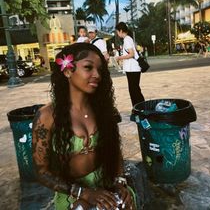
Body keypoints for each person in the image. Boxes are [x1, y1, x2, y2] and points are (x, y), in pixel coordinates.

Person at [32, 43, 135, 210]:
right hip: (71, 191)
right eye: (88, 67)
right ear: (67, 71)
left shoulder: (103, 110)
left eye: (100, 70)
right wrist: (83, 193)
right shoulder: (47, 116)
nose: (97, 75)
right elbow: (41, 172)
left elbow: (114, 150)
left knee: (123, 204)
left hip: (105, 182)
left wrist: (120, 183)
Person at [115, 22, 145, 106]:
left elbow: (131, 54)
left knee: (134, 91)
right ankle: (140, 108)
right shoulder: (129, 38)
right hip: (133, 68)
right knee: (135, 90)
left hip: (132, 68)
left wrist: (120, 58)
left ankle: (139, 108)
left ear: (121, 31)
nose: (117, 34)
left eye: (117, 32)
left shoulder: (127, 39)